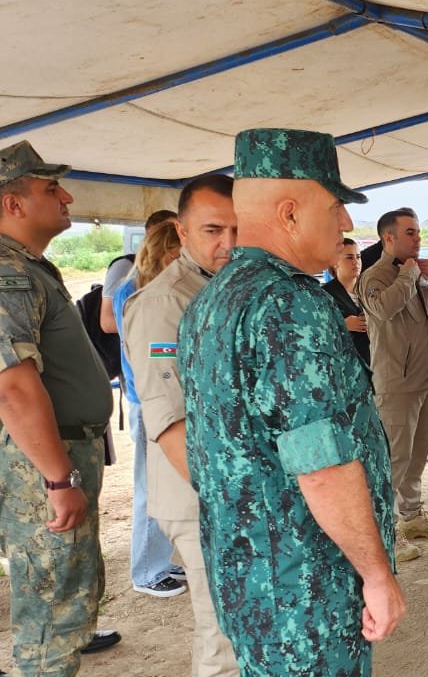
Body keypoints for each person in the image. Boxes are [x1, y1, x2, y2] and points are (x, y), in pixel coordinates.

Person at [180, 128, 403, 675]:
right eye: (335, 207)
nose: (346, 224)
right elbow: (321, 463)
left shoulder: (212, 300)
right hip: (305, 586)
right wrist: (376, 574)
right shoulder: (289, 305)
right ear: (289, 213)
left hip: (250, 578)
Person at [0, 140, 114, 676]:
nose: (67, 196)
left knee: (68, 591)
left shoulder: (28, 266)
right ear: (13, 204)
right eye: (51, 189)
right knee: (54, 605)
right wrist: (55, 478)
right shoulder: (7, 271)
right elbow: (13, 388)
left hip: (58, 451)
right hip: (44, 460)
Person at [122, 173, 240, 677]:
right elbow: (171, 424)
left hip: (233, 490)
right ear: (181, 230)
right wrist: (229, 505)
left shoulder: (224, 286)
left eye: (239, 229)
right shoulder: (166, 302)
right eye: (214, 230)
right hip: (202, 497)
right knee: (225, 634)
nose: (229, 244)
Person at [359, 208, 428, 559]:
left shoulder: (418, 272)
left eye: (418, 232)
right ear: (389, 238)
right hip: (395, 384)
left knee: (417, 456)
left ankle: (412, 517)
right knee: (393, 460)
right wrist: (407, 277)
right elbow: (383, 310)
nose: (418, 239)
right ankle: (385, 534)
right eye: (411, 233)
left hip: (423, 379)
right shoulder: (375, 276)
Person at [100, 208, 187, 598]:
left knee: (164, 484)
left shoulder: (149, 287)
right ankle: (148, 571)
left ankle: (161, 560)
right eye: (176, 254)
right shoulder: (135, 291)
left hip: (156, 399)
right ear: (162, 252)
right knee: (149, 486)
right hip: (147, 400)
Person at [323, 238, 371, 374]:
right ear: (334, 262)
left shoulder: (370, 289)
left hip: (376, 365)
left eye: (358, 257)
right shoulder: (325, 294)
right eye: (349, 257)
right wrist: (342, 325)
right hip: (345, 369)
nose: (356, 262)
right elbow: (314, 332)